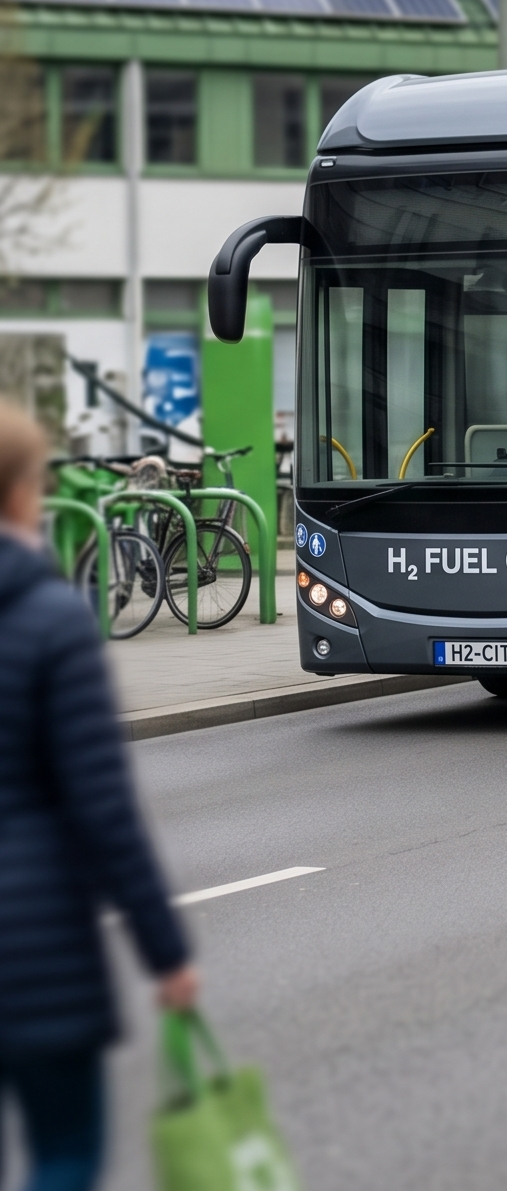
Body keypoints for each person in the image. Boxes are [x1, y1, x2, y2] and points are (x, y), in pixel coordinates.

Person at [0, 401, 198, 1191]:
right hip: (30, 947)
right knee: (65, 1153)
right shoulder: (50, 621)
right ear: (24, 494)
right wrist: (167, 953)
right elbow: (103, 810)